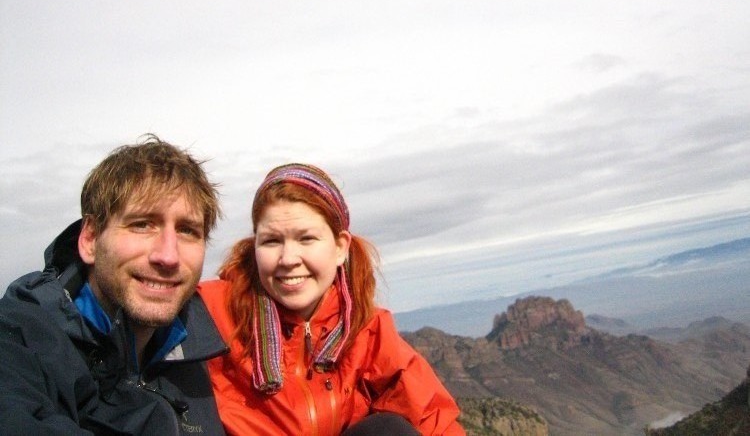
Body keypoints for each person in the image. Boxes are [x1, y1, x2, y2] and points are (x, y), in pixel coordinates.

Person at [198, 163, 465, 436]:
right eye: (271, 241)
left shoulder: (367, 330)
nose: (288, 259)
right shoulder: (211, 313)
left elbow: (432, 417)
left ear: (340, 248)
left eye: (307, 239)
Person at [0, 134, 228, 435]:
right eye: (142, 224)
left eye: (188, 231)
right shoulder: (19, 341)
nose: (168, 256)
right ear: (90, 239)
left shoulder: (199, 353)